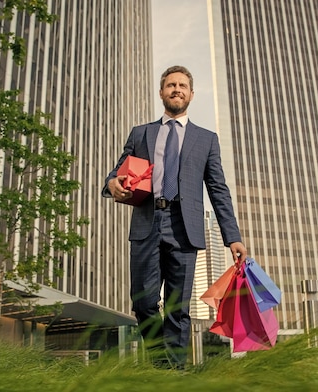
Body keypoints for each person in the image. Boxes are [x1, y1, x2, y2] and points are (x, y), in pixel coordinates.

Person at [102, 65, 247, 369]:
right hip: (147, 222)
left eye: (182, 85)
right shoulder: (141, 133)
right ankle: (161, 364)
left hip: (185, 227)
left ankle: (175, 377)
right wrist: (112, 183)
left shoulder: (206, 139)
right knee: (143, 302)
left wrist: (231, 236)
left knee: (178, 308)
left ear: (191, 94)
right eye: (170, 85)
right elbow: (118, 172)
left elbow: (218, 189)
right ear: (161, 93)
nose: (176, 89)